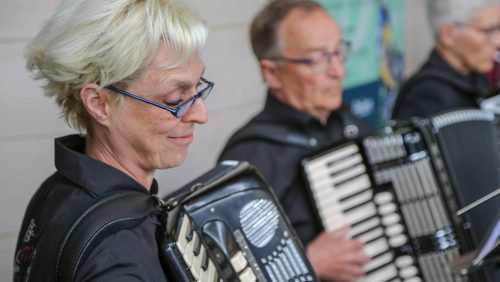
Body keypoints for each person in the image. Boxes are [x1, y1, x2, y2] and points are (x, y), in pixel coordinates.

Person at [13, 0, 212, 280]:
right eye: (175, 99)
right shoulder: (117, 254)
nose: (200, 115)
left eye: (197, 89)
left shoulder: (56, 189)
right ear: (99, 104)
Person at [217, 1, 372, 281]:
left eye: (338, 52)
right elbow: (227, 272)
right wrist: (306, 262)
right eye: (318, 59)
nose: (338, 70)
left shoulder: (352, 126)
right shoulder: (248, 160)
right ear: (272, 73)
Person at [392, 0, 500, 120]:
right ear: (448, 35)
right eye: (488, 31)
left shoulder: (475, 78)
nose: (498, 41)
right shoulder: (427, 97)